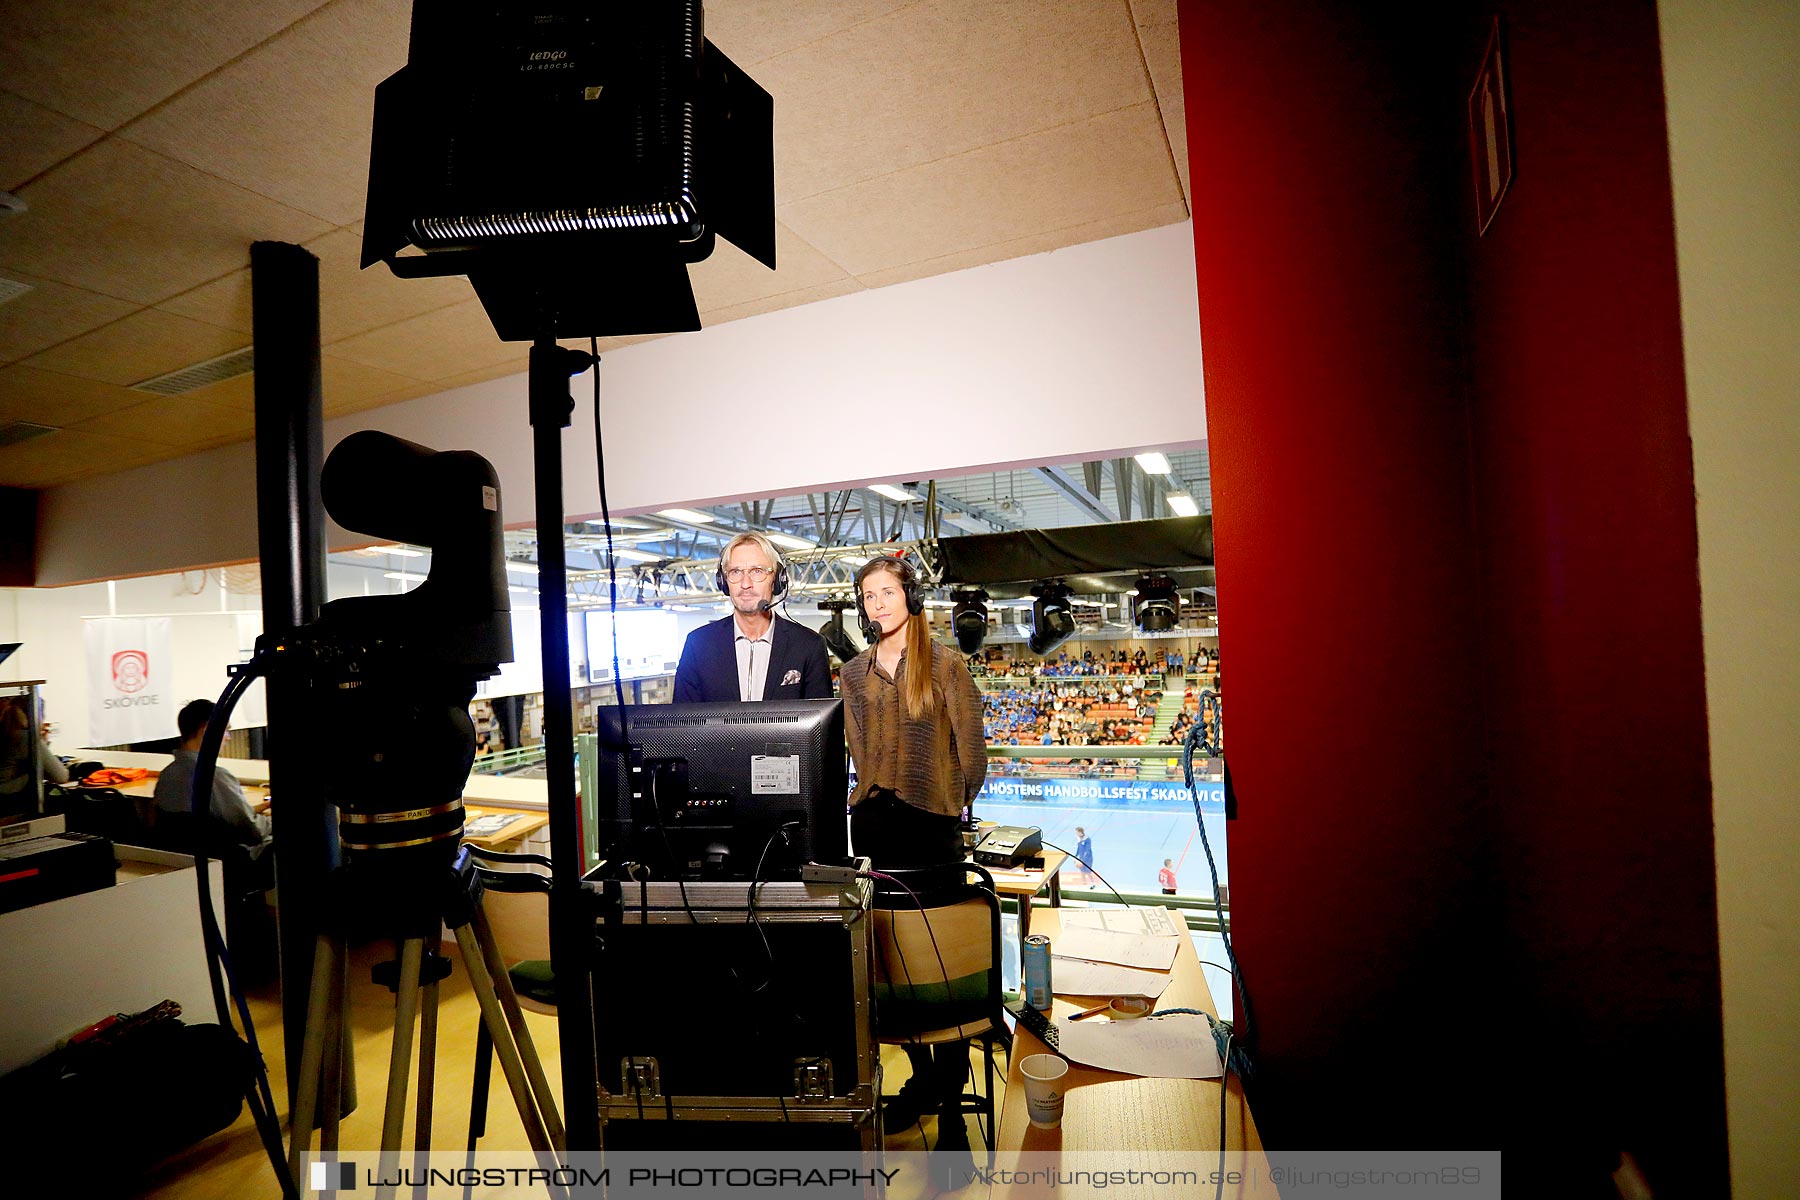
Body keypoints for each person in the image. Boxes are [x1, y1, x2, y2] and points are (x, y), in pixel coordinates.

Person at [841, 554, 987, 1162]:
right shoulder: (852, 673)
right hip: (876, 829)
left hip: (932, 832)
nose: (877, 604)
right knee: (894, 967)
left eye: (887, 592)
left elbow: (973, 755)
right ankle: (926, 1077)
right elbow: (856, 748)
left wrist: (949, 802)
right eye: (868, 596)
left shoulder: (948, 666)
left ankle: (950, 1106)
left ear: (912, 597)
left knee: (941, 966)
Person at [672, 532, 833, 703]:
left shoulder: (809, 645)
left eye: (757, 571)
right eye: (735, 572)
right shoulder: (698, 645)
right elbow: (682, 724)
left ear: (777, 579)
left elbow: (821, 726)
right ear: (724, 581)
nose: (746, 584)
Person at [153, 698, 272, 868]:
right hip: (233, 863)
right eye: (226, 731)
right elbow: (252, 831)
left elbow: (214, 820)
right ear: (207, 731)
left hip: (190, 863)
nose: (229, 738)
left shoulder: (167, 775)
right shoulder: (215, 777)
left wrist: (259, 808)